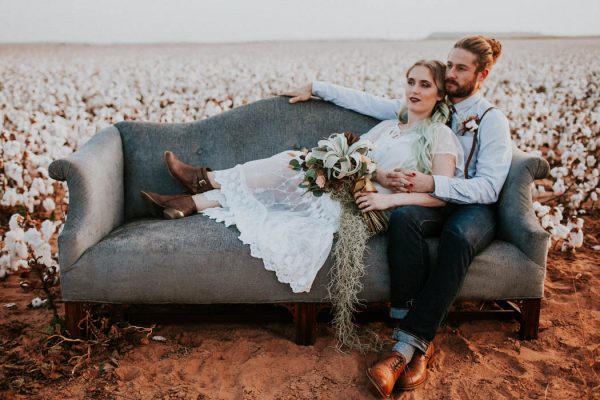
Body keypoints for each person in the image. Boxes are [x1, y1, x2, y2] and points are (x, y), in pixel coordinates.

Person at [285, 35, 511, 398]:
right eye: (449, 65)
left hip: (474, 207)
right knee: (405, 217)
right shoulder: (430, 103)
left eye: (461, 68)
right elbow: (368, 102)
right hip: (430, 198)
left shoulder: (491, 120)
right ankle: (407, 324)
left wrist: (433, 181)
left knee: (456, 237)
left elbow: (489, 188)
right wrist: (317, 86)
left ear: (482, 75)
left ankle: (408, 346)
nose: (450, 73)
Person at [140, 59, 464, 296]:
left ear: (439, 94)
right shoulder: (388, 126)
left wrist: (387, 197)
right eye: (411, 81)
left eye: (425, 85)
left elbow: (440, 194)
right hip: (347, 190)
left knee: (292, 163)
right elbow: (362, 158)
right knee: (291, 168)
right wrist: (366, 170)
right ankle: (191, 201)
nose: (415, 90)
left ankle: (203, 181)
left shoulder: (440, 136)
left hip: (367, 208)